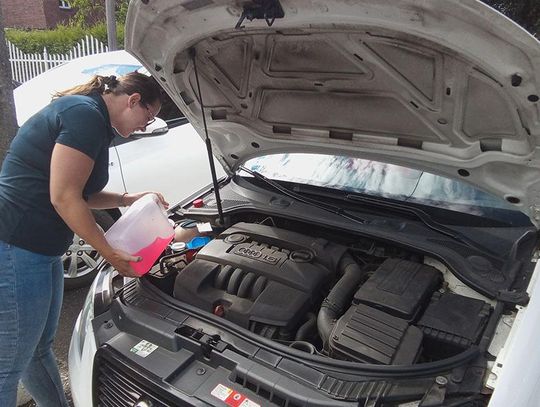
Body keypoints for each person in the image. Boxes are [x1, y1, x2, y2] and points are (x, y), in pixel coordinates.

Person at [0, 72, 169, 406]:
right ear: (132, 100)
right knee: (9, 365)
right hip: (17, 243)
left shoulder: (94, 119)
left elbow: (82, 191)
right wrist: (109, 252)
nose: (145, 126)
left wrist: (125, 199)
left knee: (37, 350)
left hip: (41, 247)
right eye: (147, 117)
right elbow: (64, 197)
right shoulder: (84, 116)